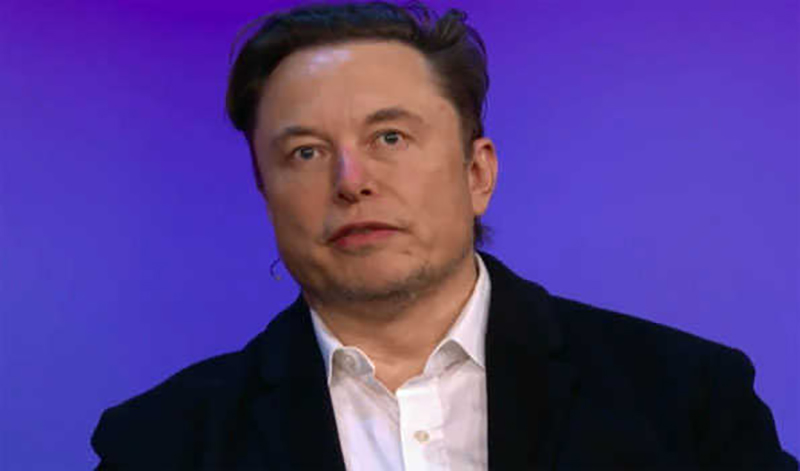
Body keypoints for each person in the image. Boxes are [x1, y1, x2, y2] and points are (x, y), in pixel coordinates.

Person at [91, 2, 797, 470]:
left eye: (390, 137)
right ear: (264, 193)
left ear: (477, 172)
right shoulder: (161, 444)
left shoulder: (686, 401)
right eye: (305, 151)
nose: (351, 181)